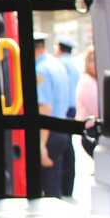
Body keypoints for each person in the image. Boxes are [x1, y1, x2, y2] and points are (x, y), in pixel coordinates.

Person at [34, 33, 71, 197]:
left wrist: (41, 144)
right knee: (55, 186)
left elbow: (44, 107)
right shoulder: (56, 64)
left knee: (48, 190)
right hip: (61, 129)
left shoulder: (40, 70)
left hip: (48, 133)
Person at [55, 37, 79, 195]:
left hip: (63, 109)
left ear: (59, 48)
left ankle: (64, 187)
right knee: (69, 147)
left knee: (64, 148)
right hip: (72, 108)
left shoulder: (60, 64)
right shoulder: (73, 64)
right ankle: (68, 186)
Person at [76, 45, 99, 156]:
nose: (95, 64)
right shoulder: (87, 82)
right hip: (91, 131)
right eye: (91, 60)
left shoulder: (94, 80)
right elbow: (97, 110)